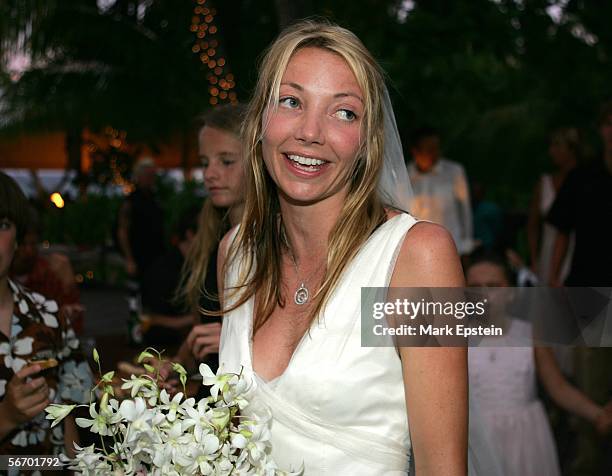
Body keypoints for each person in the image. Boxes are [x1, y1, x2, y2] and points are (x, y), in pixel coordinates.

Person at [218, 20, 467, 475]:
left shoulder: (417, 258)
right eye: (291, 101)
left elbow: (442, 468)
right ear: (259, 122)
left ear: (367, 142)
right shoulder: (235, 255)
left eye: (343, 112)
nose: (311, 132)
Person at [466, 249, 612, 476]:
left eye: (493, 286)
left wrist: (598, 414)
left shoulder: (529, 334)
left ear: (512, 292)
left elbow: (558, 387)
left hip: (525, 437)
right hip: (475, 436)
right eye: (474, 287)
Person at [0, 172, 93, 460]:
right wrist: (6, 418)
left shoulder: (48, 315)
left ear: (18, 239)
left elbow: (70, 422)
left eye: (2, 225)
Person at [546, 101, 612, 475]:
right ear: (601, 129)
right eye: (609, 123)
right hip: (589, 293)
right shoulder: (583, 177)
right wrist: (554, 279)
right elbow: (561, 231)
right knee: (591, 384)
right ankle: (590, 460)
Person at [169, 104, 247, 382]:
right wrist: (177, 363)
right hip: (212, 395)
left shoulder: (279, 239)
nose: (209, 174)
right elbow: (202, 328)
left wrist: (237, 337)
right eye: (205, 162)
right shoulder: (211, 234)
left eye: (226, 161)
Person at [10, 208, 85, 334]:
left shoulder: (49, 274)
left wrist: (67, 312)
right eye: (23, 244)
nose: (28, 251)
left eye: (33, 244)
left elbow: (77, 324)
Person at [407, 126, 475, 255]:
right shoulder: (404, 176)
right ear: (415, 151)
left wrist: (466, 244)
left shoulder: (454, 172)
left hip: (452, 248)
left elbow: (465, 211)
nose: (435, 153)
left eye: (436, 148)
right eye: (429, 150)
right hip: (417, 250)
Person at [527, 127, 580, 284]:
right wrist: (534, 258)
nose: (552, 151)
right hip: (547, 255)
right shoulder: (544, 183)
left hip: (578, 253)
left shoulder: (586, 183)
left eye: (558, 145)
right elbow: (533, 225)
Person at [117, 156, 166, 282]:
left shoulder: (155, 198)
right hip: (139, 255)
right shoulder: (131, 201)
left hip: (156, 255)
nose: (151, 179)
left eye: (152, 175)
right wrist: (129, 259)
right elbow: (123, 230)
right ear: (139, 176)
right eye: (148, 175)